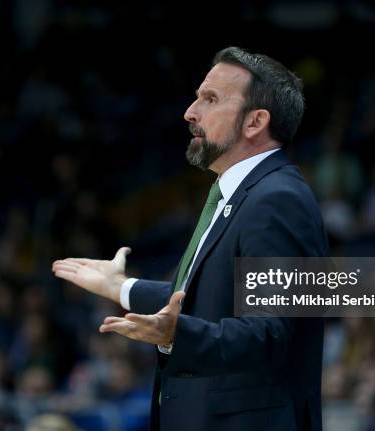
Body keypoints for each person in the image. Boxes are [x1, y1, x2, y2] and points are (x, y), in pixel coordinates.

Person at [52, 46, 328, 431]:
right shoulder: (242, 194)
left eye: (210, 99)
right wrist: (123, 288)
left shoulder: (276, 200)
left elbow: (268, 334)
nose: (190, 112)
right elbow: (207, 302)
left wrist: (177, 335)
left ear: (255, 122)